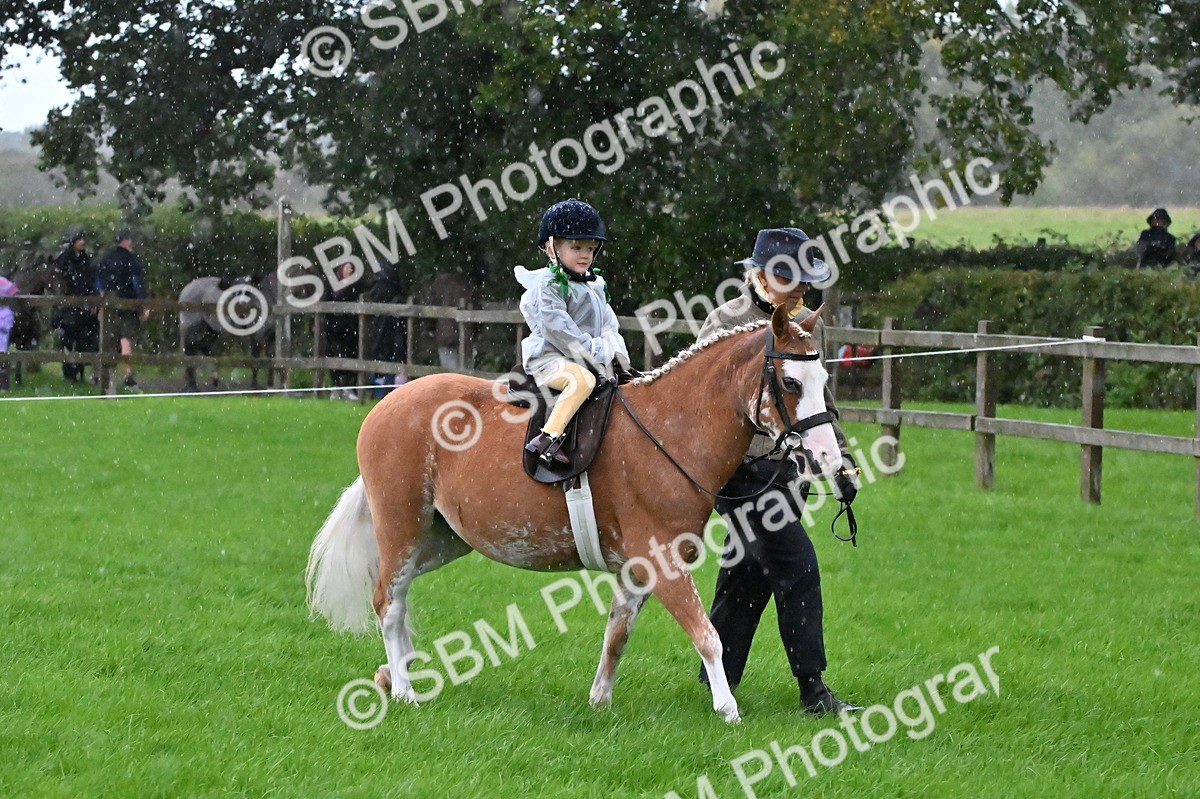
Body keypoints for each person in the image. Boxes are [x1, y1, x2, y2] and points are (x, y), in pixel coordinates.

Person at [696, 227, 863, 715]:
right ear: (766, 275)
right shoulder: (724, 323)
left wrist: (842, 461)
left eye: (807, 285)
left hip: (787, 471)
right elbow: (702, 407)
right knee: (797, 564)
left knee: (746, 573)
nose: (802, 293)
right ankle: (813, 691)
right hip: (738, 473)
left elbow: (818, 401)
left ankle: (718, 677)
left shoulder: (807, 325)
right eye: (795, 281)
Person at [515, 198, 630, 465]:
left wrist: (619, 355)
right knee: (582, 381)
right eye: (576, 247)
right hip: (550, 359)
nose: (585, 255)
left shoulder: (595, 286)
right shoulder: (549, 287)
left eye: (590, 249)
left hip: (587, 357)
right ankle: (547, 439)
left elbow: (610, 325)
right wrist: (600, 351)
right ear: (551, 248)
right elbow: (562, 334)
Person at [95, 228, 149, 391]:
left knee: (108, 341)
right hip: (127, 305)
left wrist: (100, 305)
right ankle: (128, 375)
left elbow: (99, 284)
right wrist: (143, 304)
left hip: (109, 304)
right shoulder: (131, 260)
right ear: (126, 241)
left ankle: (107, 377)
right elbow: (137, 283)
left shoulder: (106, 259)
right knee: (126, 340)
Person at [51, 229, 98, 383]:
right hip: (67, 307)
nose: (82, 242)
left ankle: (80, 371)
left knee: (83, 340)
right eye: (79, 239)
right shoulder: (64, 259)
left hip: (83, 305)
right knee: (67, 340)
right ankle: (68, 373)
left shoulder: (85, 259)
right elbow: (59, 283)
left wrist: (92, 300)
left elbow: (90, 281)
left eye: (83, 239)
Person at [366, 260, 409, 397]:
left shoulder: (379, 288)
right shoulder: (394, 290)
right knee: (391, 362)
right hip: (391, 334)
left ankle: (383, 392)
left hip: (385, 334)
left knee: (385, 364)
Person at [325, 261, 364, 400]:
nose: (349, 270)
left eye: (351, 268)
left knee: (350, 354)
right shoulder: (332, 285)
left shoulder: (355, 286)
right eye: (347, 268)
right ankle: (336, 387)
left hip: (349, 327)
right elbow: (328, 302)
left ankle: (349, 387)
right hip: (334, 328)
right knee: (334, 354)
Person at [0, 275, 17, 391]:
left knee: (2, 362)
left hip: (2, 340)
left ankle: (4, 386)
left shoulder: (7, 312)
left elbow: (7, 326)